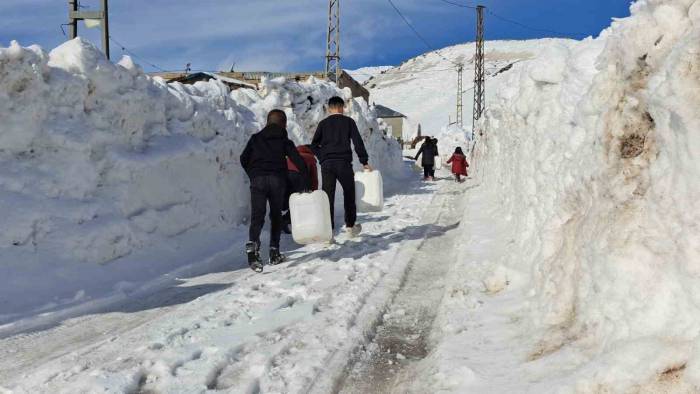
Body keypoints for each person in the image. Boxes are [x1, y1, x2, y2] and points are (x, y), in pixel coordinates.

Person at [240, 110, 310, 272]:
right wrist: (305, 181)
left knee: (257, 216)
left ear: (267, 122)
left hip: (257, 180)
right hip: (277, 180)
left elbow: (243, 158)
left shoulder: (255, 138)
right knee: (276, 215)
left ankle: (253, 246)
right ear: (284, 124)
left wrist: (253, 174)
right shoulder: (284, 140)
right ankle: (274, 251)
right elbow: (298, 161)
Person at [311, 96, 371, 236]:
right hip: (343, 163)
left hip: (327, 165)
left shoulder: (323, 124)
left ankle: (328, 231)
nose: (343, 110)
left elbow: (314, 145)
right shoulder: (349, 122)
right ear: (340, 107)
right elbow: (358, 142)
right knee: (349, 193)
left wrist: (322, 157)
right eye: (343, 108)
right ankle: (350, 226)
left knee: (328, 197)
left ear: (330, 108)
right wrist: (364, 161)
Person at [282, 144, 318, 234]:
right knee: (301, 200)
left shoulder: (290, 156)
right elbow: (313, 178)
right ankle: (286, 219)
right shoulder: (310, 157)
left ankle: (277, 218)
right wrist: (313, 193)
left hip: (284, 176)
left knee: (286, 200)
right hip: (299, 176)